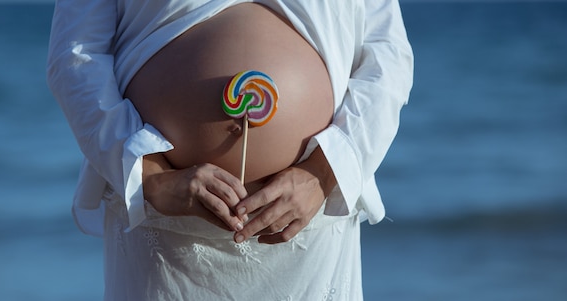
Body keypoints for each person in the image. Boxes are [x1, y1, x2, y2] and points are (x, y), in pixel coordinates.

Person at [46, 0, 413, 300]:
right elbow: (76, 55)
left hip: (306, 230)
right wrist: (150, 176)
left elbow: (387, 55)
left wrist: (322, 172)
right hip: (166, 238)